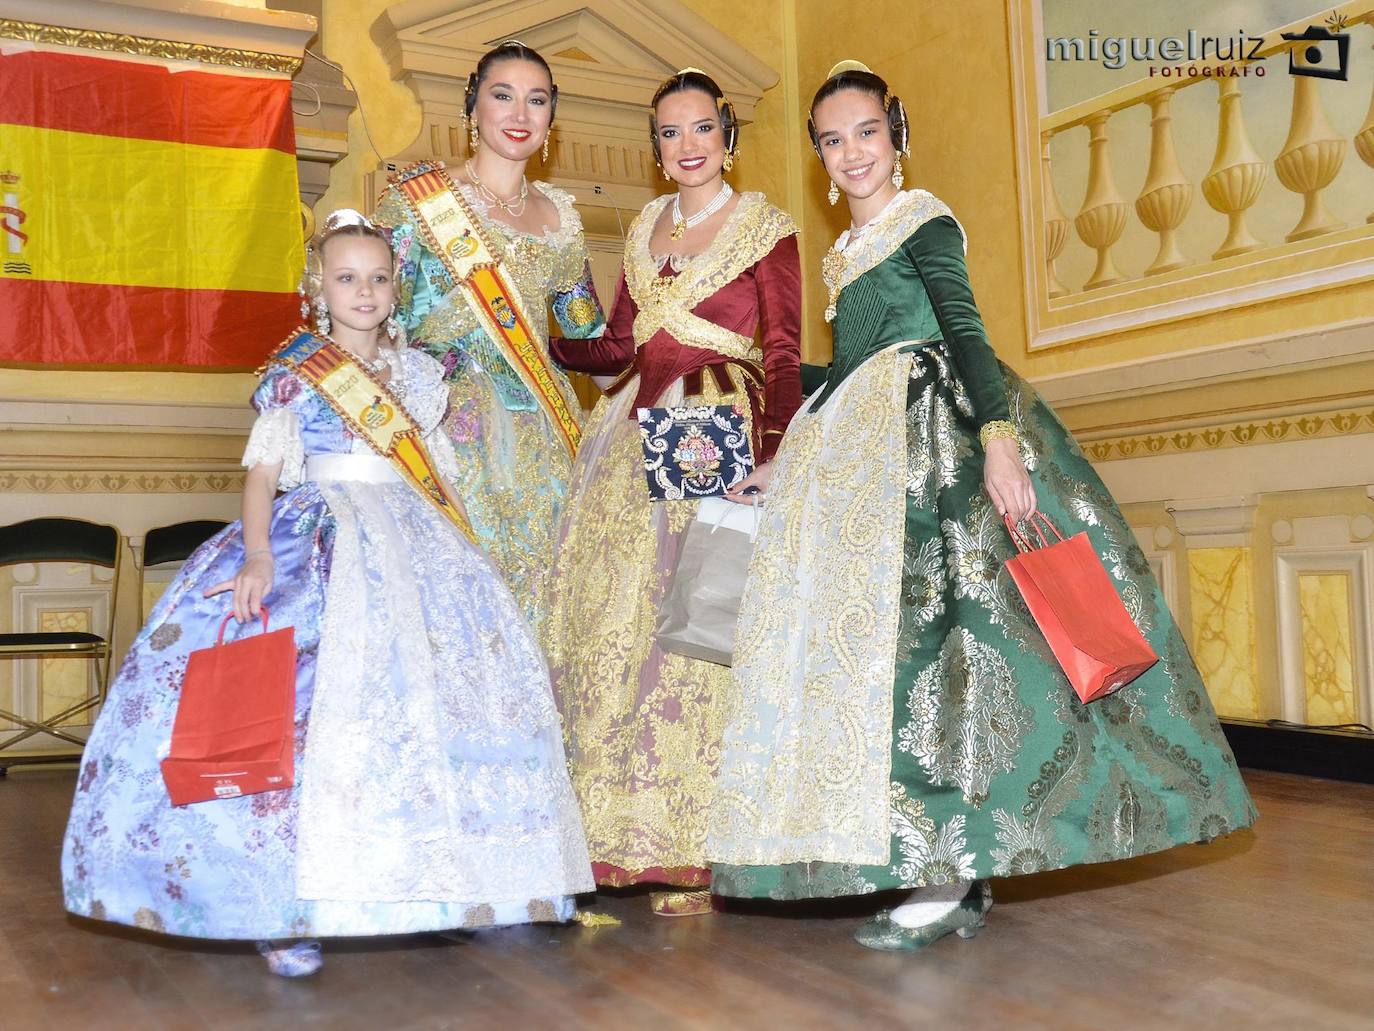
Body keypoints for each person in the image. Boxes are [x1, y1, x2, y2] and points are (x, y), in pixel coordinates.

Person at [706, 62, 1255, 950]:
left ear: (897, 134)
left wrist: (998, 438)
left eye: (867, 133)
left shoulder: (924, 220)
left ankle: (949, 873)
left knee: (955, 655)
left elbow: (964, 331)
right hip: (862, 455)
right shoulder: (846, 251)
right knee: (894, 667)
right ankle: (941, 863)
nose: (852, 153)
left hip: (937, 444)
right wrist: (784, 458)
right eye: (833, 140)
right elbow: (849, 368)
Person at [61, 211, 593, 976]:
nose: (365, 290)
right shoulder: (296, 373)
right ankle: (284, 908)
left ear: (394, 287)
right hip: (318, 538)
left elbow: (439, 475)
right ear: (320, 289)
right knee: (305, 714)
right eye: (347, 278)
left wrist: (470, 556)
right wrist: (253, 555)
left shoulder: (419, 376)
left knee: (441, 705)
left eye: (378, 277)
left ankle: (465, 887)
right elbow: (263, 474)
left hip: (416, 539)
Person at [546, 69, 802, 916]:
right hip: (631, 429)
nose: (686, 145)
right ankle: (611, 832)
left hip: (716, 431)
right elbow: (619, 344)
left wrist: (770, 454)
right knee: (615, 616)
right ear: (655, 147)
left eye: (700, 128)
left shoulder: (768, 227)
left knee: (694, 616)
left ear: (727, 133)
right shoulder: (649, 224)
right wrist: (557, 332)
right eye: (669, 133)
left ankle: (692, 837)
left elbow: (783, 355)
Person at [373, 40, 605, 632]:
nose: (520, 115)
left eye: (537, 101)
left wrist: (687, 370)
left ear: (553, 117)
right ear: (473, 107)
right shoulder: (418, 203)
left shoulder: (562, 218)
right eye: (503, 96)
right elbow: (377, 325)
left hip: (547, 436)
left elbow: (591, 342)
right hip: (448, 428)